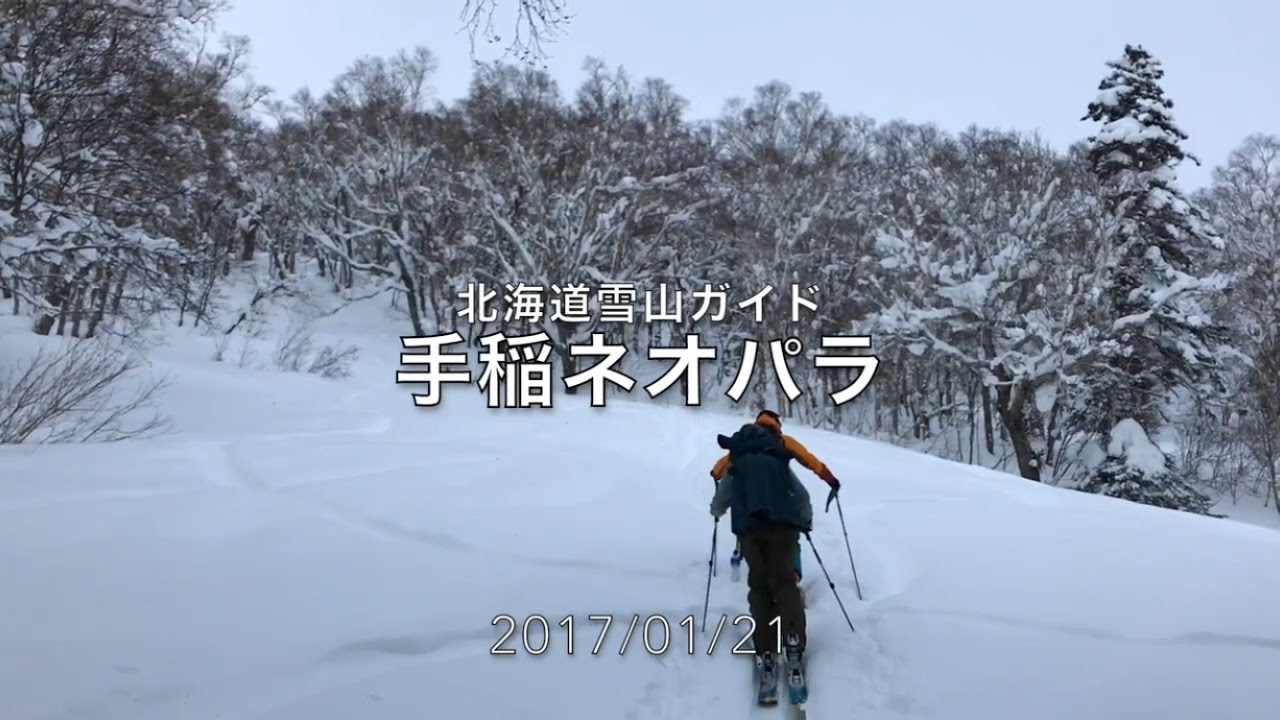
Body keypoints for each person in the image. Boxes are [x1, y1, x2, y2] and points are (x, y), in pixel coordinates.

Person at [708, 410, 841, 677]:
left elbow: (721, 485)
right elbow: (801, 493)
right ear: (775, 427)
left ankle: (766, 651)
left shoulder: (738, 453)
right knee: (784, 583)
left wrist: (716, 511)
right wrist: (805, 522)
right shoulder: (778, 449)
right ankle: (793, 642)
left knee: (759, 587)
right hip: (783, 528)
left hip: (748, 530)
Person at [710, 411, 839, 584]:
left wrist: (716, 474)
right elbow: (809, 460)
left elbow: (724, 464)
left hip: (748, 499)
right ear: (776, 423)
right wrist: (829, 479)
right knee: (789, 528)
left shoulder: (745, 442)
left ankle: (761, 572)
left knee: (753, 531)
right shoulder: (781, 440)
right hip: (780, 488)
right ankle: (792, 573)